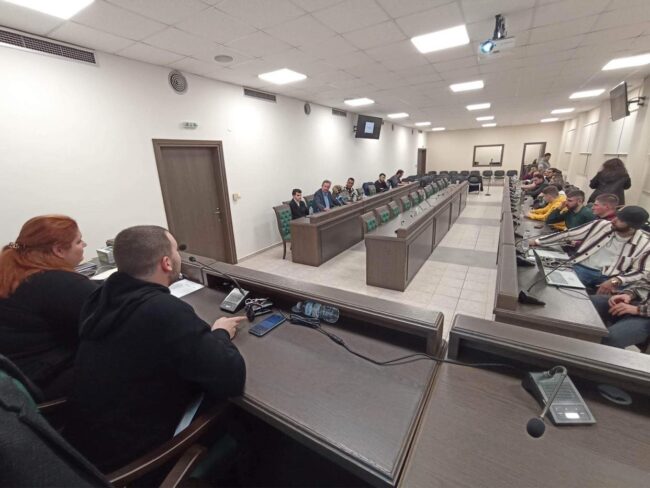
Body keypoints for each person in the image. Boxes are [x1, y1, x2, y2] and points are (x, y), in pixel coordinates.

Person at [65, 225, 246, 472]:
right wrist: (221, 333)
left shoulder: (98, 299)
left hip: (87, 449)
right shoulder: (163, 311)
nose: (178, 255)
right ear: (166, 263)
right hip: (136, 464)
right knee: (241, 412)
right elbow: (232, 377)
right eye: (176, 250)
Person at [0, 215, 96, 400]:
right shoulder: (61, 284)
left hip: (16, 381)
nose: (84, 244)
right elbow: (110, 318)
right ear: (58, 250)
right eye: (78, 241)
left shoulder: (12, 272)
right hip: (44, 382)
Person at [529, 206, 650, 292]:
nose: (613, 220)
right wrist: (538, 241)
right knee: (551, 285)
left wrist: (617, 280)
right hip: (581, 268)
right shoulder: (601, 225)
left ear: (633, 227)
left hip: (610, 277)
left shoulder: (645, 244)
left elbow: (641, 271)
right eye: (617, 216)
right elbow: (569, 234)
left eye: (620, 220)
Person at [591, 280, 650, 349]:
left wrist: (638, 310)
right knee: (591, 302)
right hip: (639, 304)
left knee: (610, 338)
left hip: (646, 317)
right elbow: (646, 285)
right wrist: (628, 294)